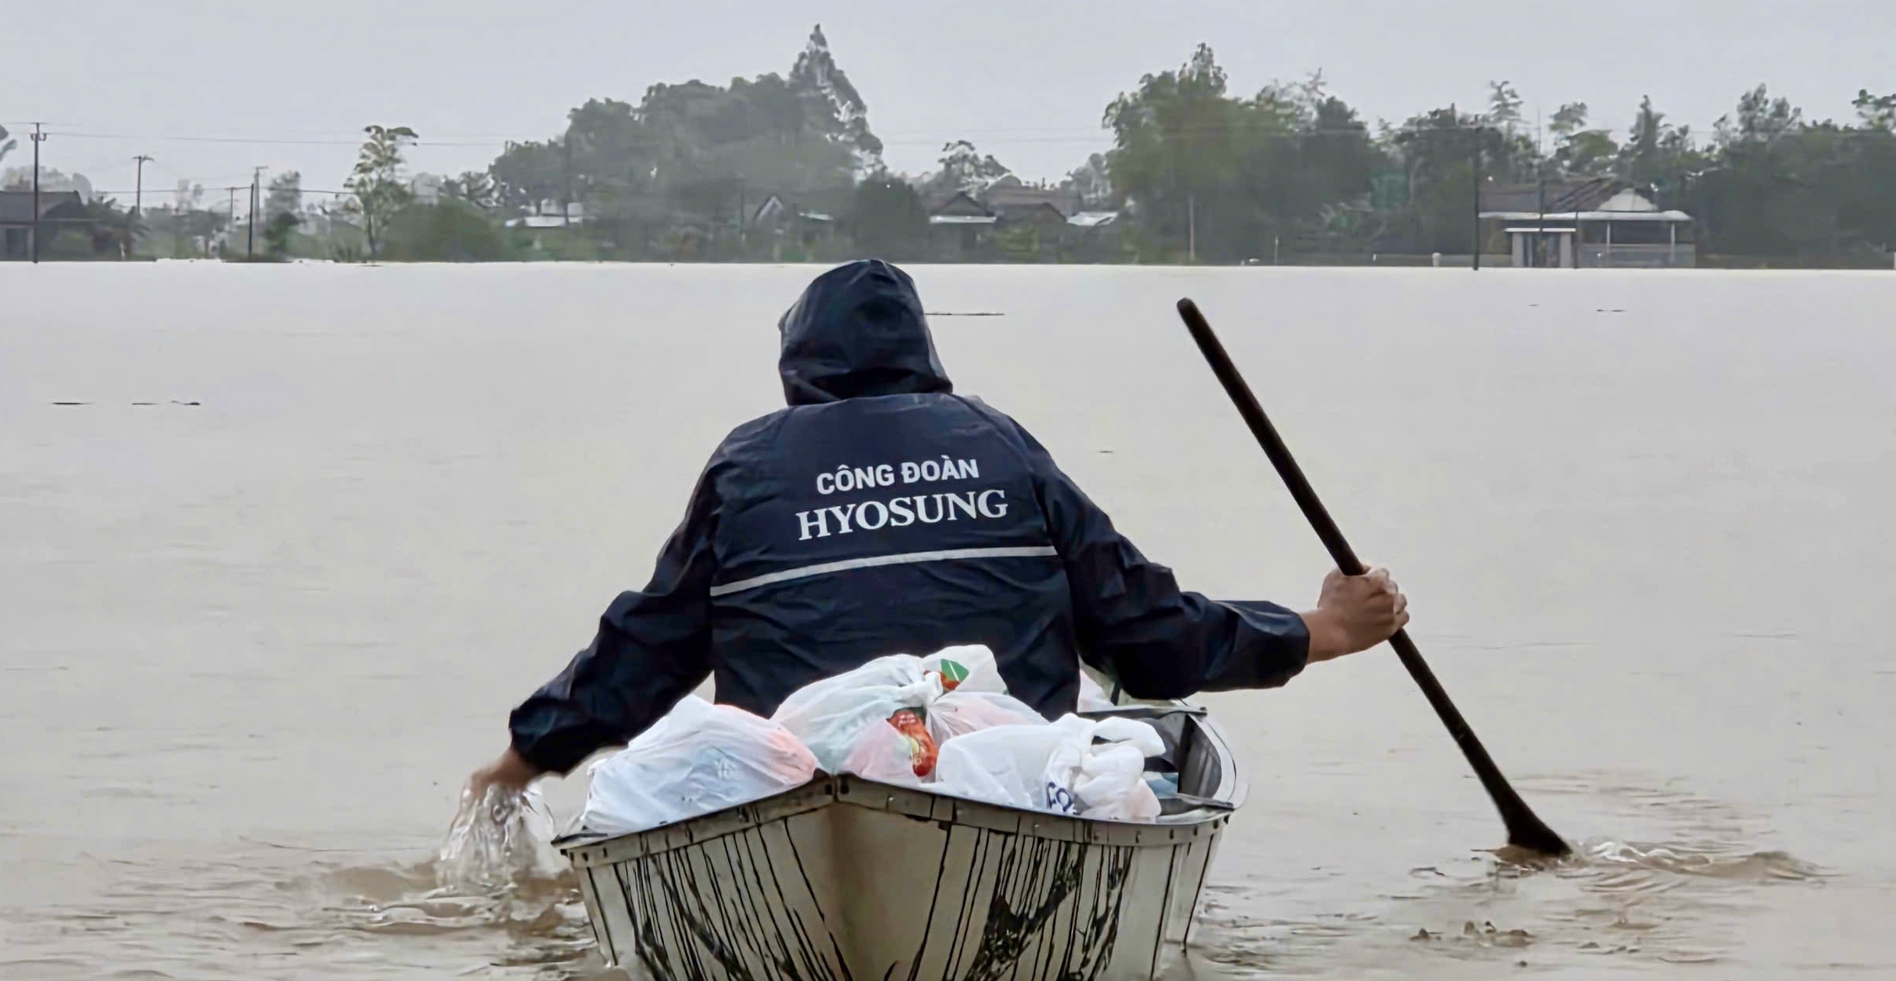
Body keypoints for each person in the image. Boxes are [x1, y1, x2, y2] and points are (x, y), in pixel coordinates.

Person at [468, 259, 1406, 797]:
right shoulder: (997, 443)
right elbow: (1147, 638)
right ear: (924, 358)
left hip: (782, 797)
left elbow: (648, 648)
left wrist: (520, 760)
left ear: (796, 369)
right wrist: (1321, 629)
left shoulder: (749, 461)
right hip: (1005, 801)